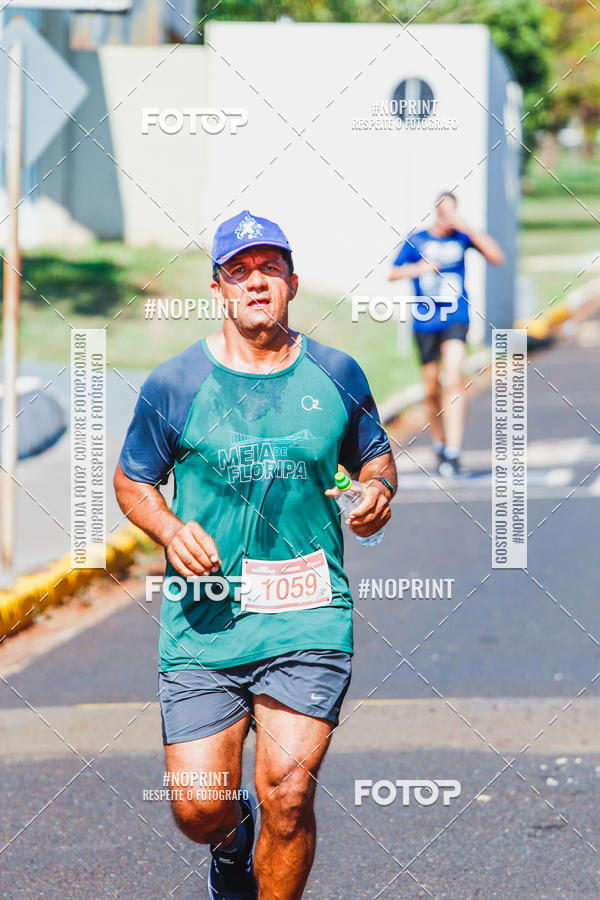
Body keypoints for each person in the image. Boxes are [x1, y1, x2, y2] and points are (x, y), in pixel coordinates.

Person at [114, 210, 396, 900]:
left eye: (269, 268)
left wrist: (375, 494)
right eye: (239, 271)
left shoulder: (336, 372)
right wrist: (169, 529)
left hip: (309, 613)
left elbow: (376, 458)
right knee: (198, 807)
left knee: (289, 791)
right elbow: (134, 479)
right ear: (218, 291)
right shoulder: (175, 385)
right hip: (206, 621)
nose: (256, 282)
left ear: (292, 283)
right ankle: (231, 841)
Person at [389, 192, 504, 477]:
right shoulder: (418, 240)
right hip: (426, 322)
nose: (450, 219)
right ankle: (440, 443)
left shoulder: (462, 238)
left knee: (453, 378)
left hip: (456, 317)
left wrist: (469, 229)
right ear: (436, 213)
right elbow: (392, 272)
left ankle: (453, 450)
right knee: (431, 390)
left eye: (454, 213)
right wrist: (419, 268)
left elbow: (496, 257)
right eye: (446, 214)